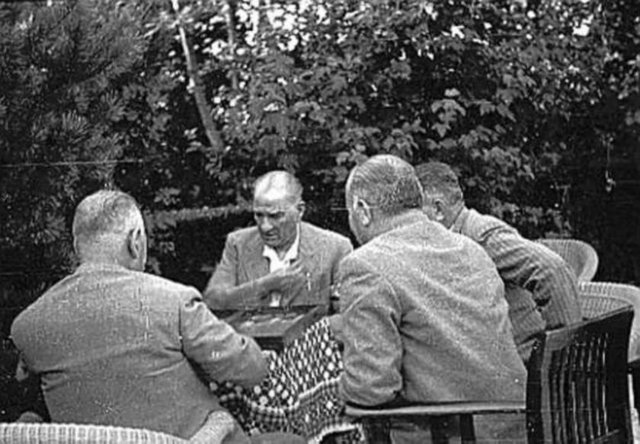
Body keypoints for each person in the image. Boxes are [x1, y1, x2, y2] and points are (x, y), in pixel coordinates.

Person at [10, 190, 268, 441]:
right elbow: (252, 369)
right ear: (135, 242)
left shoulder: (28, 326)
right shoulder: (174, 302)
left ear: (77, 246)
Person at [334, 155, 526, 442]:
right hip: (514, 428)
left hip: (447, 433)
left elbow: (371, 389)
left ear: (362, 210)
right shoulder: (470, 249)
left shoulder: (365, 265)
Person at [415, 161, 582, 361]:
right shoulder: (446, 241)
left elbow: (552, 270)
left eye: (416, 212)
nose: (411, 223)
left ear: (438, 209)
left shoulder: (480, 236)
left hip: (518, 363)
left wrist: (560, 356)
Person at [204, 171, 353, 311]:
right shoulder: (238, 243)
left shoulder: (335, 248)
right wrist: (265, 285)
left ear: (300, 210)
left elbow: (347, 313)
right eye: (259, 215)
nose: (265, 226)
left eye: (275, 216)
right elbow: (212, 302)